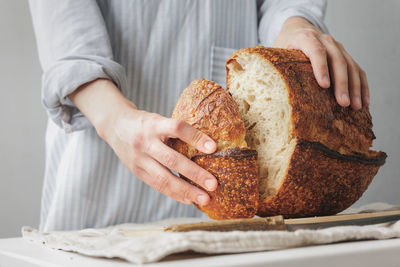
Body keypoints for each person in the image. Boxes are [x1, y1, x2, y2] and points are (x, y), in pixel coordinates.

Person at [29, 0, 369, 231]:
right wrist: (114, 119)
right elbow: (65, 28)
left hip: (238, 213)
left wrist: (294, 24)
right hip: (101, 187)